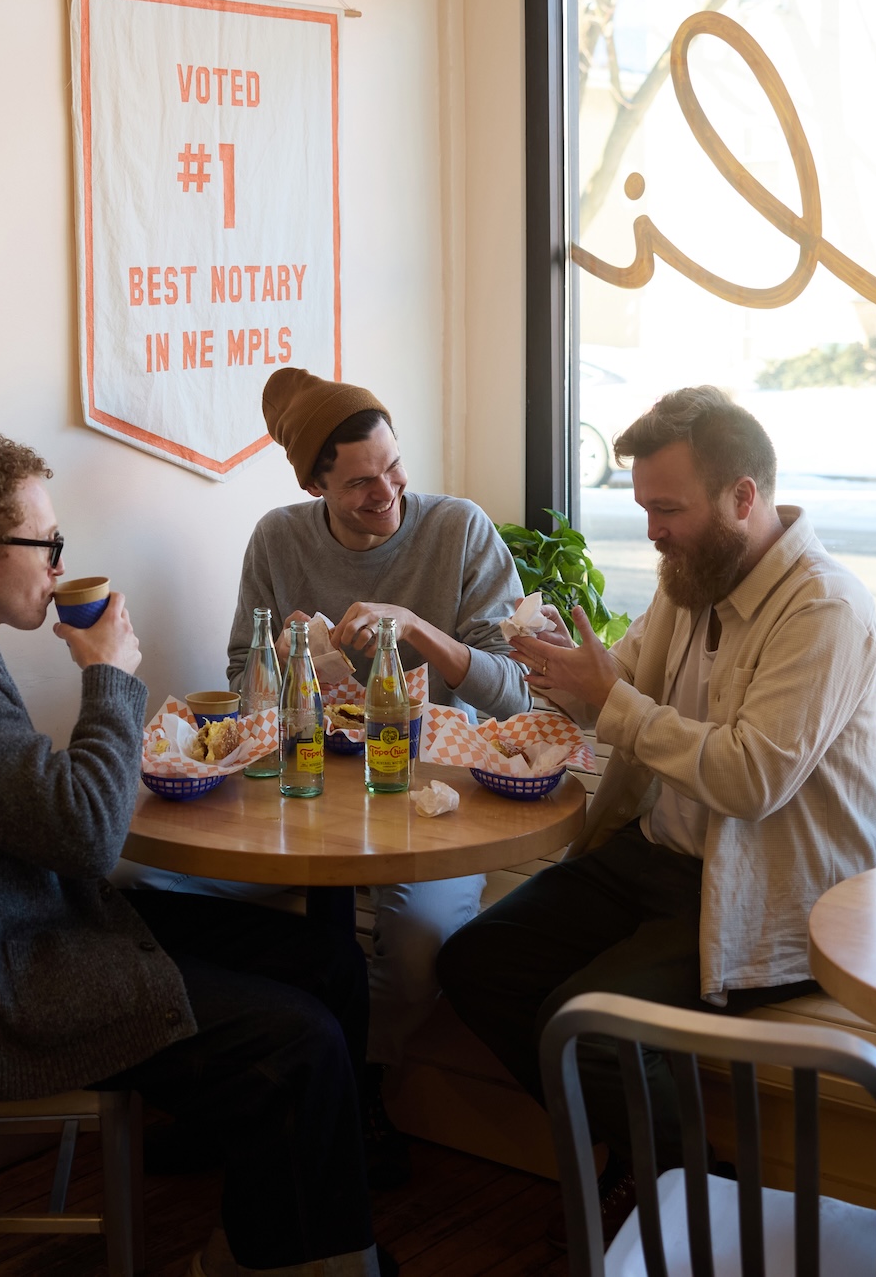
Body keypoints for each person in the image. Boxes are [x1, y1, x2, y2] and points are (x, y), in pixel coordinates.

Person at [0, 435, 382, 1277]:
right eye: (47, 545)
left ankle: (309, 1230)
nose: (58, 564)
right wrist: (108, 677)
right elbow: (85, 835)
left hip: (38, 918)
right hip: (3, 974)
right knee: (298, 1041)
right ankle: (265, 1258)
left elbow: (47, 814)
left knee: (328, 960)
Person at [436, 386, 876, 1208]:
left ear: (743, 496)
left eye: (668, 507)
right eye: (643, 506)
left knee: (591, 1027)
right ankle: (647, 1167)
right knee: (475, 963)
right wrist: (563, 672)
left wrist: (611, 698)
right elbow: (619, 692)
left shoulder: (824, 606)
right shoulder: (688, 578)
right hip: (654, 858)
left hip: (765, 892)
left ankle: (699, 1201)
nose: (652, 530)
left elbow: (752, 778)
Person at [125, 366, 531, 1184]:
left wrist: (416, 627)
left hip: (434, 795)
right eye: (357, 482)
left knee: (418, 942)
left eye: (393, 468)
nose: (384, 491)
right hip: (300, 796)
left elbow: (514, 688)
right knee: (136, 878)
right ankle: (240, 1084)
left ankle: (355, 1089)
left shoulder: (459, 531)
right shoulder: (280, 538)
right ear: (316, 485)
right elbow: (241, 679)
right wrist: (281, 666)